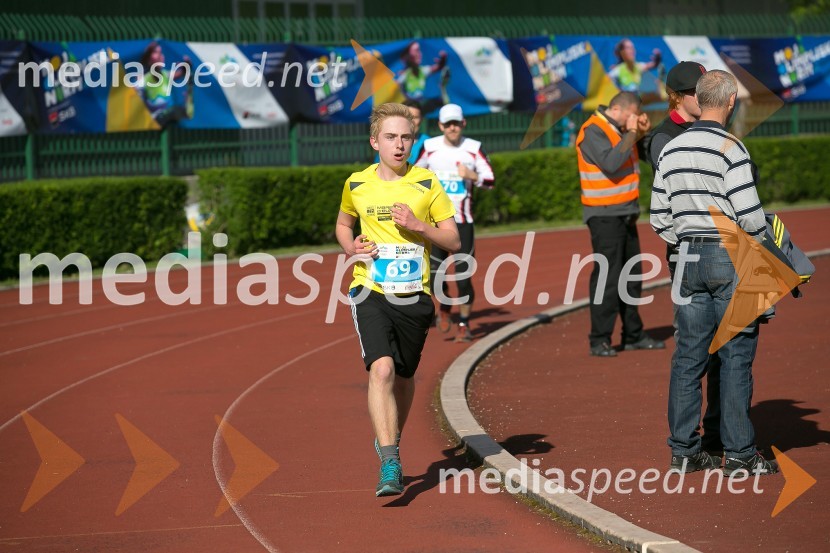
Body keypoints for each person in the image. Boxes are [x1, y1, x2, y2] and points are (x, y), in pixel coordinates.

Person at [650, 70, 778, 476]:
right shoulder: (731, 147)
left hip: (686, 257)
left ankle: (684, 451)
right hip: (729, 253)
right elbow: (753, 218)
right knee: (736, 355)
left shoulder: (671, 149)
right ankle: (739, 453)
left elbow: (657, 217)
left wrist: (687, 237)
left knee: (688, 356)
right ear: (729, 102)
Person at [336, 103, 460, 497]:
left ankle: (390, 439)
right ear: (375, 141)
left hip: (414, 296)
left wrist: (418, 225)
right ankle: (390, 459)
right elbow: (343, 225)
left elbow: (453, 240)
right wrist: (351, 247)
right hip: (369, 289)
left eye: (406, 137)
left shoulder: (427, 183)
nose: (399, 144)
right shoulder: (357, 183)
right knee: (382, 371)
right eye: (391, 137)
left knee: (403, 378)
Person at [646, 61, 723, 455]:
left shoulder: (712, 127)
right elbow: (677, 198)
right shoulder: (663, 138)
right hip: (690, 256)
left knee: (725, 353)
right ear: (679, 96)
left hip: (726, 250)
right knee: (695, 352)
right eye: (699, 90)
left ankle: (717, 435)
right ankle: (686, 446)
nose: (707, 94)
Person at [575, 91, 666, 357]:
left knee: (632, 276)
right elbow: (612, 164)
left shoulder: (617, 130)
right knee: (608, 278)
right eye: (634, 115)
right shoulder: (593, 130)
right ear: (620, 110)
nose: (636, 120)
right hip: (604, 215)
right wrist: (630, 133)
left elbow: (649, 157)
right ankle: (599, 339)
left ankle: (633, 334)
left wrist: (643, 134)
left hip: (624, 214)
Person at [415, 103, 495, 343]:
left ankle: (464, 323)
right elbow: (413, 176)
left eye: (456, 123)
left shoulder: (473, 148)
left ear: (463, 124)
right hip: (435, 224)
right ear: (440, 126)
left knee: (463, 276)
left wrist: (473, 176)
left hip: (462, 222)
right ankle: (445, 305)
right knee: (435, 276)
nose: (452, 128)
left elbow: (490, 179)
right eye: (447, 124)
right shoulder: (430, 148)